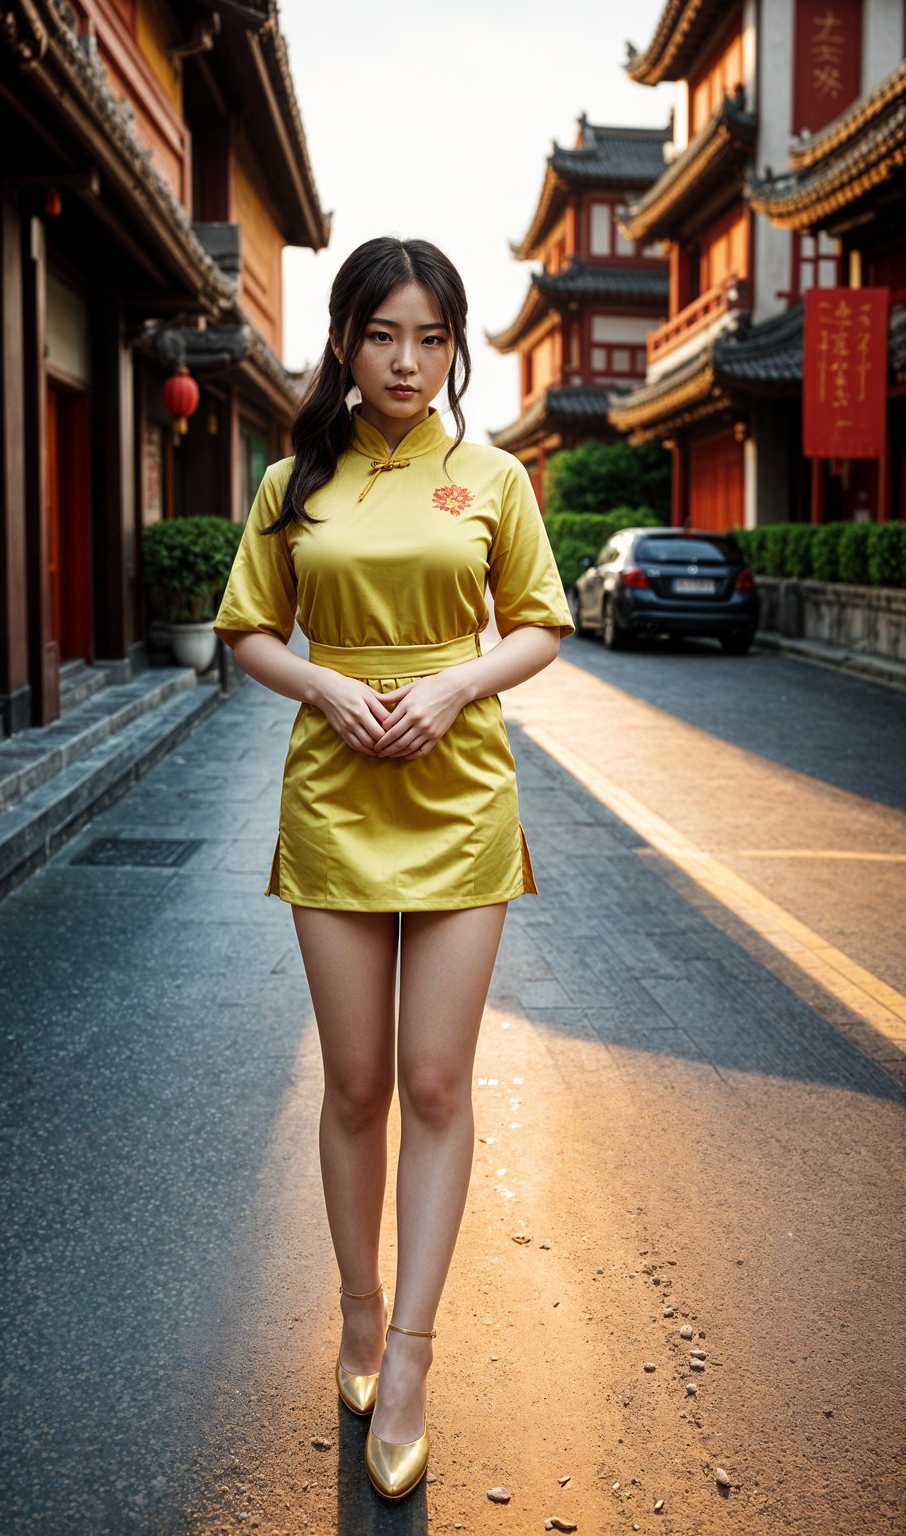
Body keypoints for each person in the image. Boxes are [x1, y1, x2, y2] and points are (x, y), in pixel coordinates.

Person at [213, 236, 573, 1501]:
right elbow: (250, 629)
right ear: (346, 343)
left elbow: (541, 622)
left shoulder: (493, 478)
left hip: (461, 792)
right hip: (333, 795)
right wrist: (324, 683)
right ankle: (358, 1313)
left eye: (428, 336)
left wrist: (455, 683)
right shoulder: (288, 483)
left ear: (453, 345)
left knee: (433, 1080)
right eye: (382, 334)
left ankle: (410, 1358)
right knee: (355, 1082)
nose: (405, 360)